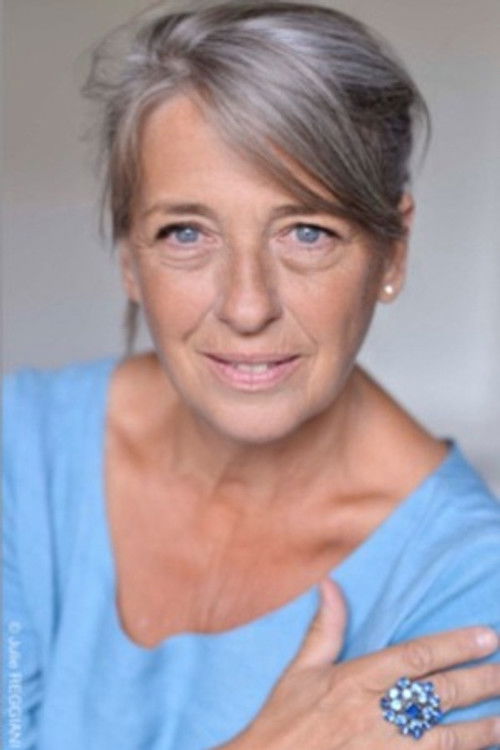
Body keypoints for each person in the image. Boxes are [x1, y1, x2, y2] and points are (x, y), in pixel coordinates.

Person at [2, 1, 500, 749]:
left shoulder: (471, 594)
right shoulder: (19, 456)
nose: (246, 306)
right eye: (186, 232)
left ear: (391, 253)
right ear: (131, 257)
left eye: (307, 232)